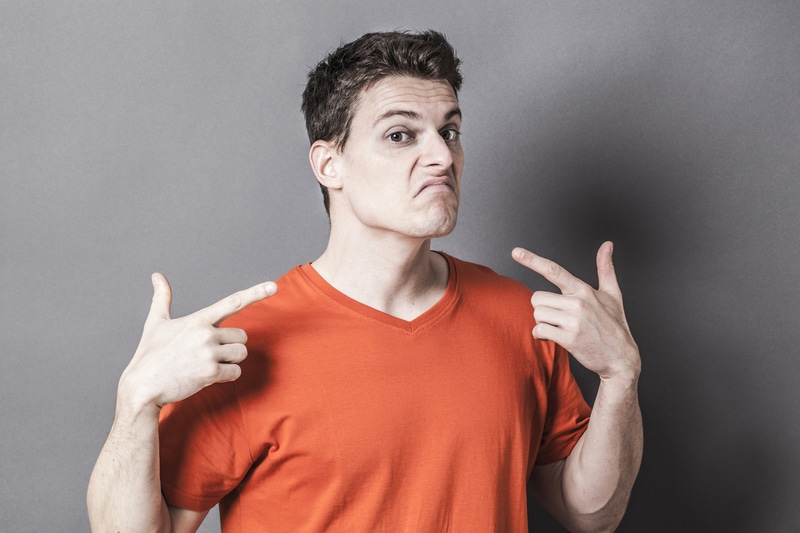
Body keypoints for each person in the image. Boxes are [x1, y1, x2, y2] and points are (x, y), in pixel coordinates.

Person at [87, 30, 642, 532]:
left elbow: (590, 513)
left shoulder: (520, 316)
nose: (440, 156)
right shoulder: (245, 343)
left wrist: (620, 378)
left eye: (450, 131)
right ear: (330, 165)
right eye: (401, 135)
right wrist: (134, 401)